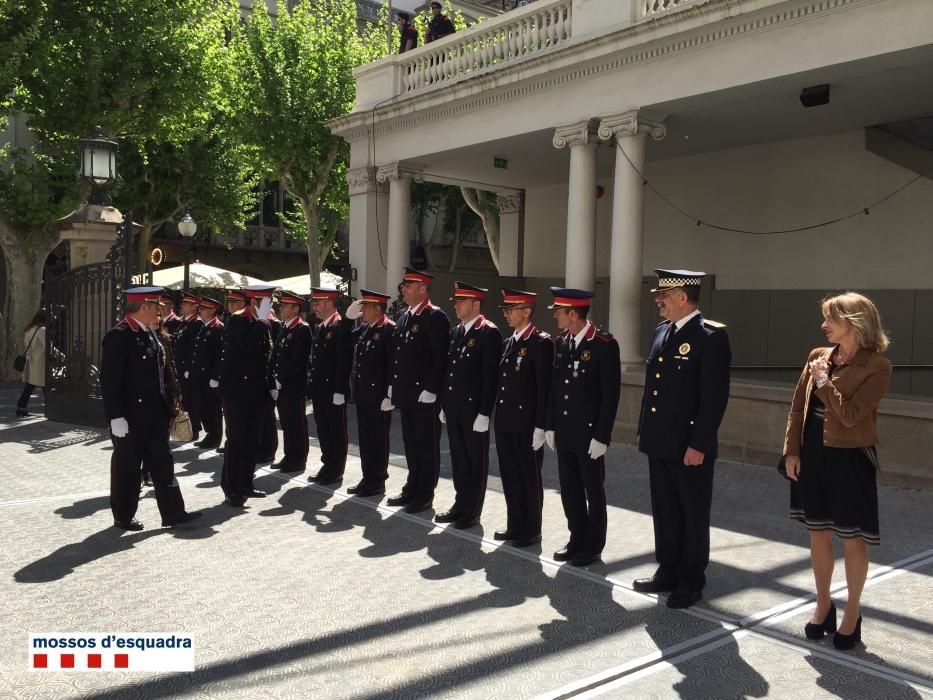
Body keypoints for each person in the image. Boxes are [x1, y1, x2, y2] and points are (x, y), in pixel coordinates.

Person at [783, 292, 891, 650]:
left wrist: (825, 383)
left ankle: (852, 612)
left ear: (854, 323)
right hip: (812, 453)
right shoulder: (818, 356)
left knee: (852, 538)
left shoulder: (877, 366)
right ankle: (823, 604)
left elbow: (850, 416)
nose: (823, 325)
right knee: (818, 533)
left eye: (831, 319)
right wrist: (791, 452)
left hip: (850, 459)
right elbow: (797, 408)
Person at [634, 269, 731, 609]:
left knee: (691, 512)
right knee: (665, 509)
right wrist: (644, 430)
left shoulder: (710, 336)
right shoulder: (662, 332)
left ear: (682, 297)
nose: (659, 300)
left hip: (688, 445)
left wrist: (699, 444)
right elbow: (654, 390)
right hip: (659, 440)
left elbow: (713, 398)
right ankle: (668, 569)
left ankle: (691, 579)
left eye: (664, 295)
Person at [100, 286, 201, 530]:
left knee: (163, 463)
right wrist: (116, 416)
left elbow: (160, 372)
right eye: (156, 307)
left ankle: (173, 513)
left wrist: (171, 400)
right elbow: (109, 380)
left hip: (156, 414)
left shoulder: (150, 333)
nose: (160, 311)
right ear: (143, 307)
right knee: (128, 468)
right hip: (131, 416)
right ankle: (123, 516)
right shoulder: (119, 335)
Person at [545, 288, 620, 567]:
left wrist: (602, 435)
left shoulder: (603, 343)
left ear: (573, 313)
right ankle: (576, 537)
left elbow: (610, 395)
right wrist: (550, 424)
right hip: (565, 431)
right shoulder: (561, 342)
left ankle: (593, 545)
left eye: (558, 311)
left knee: (592, 489)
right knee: (569, 488)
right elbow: (555, 389)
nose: (554, 315)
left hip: (590, 435)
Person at [436, 282, 501, 529]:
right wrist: (444, 402)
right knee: (459, 460)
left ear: (476, 304)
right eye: (456, 301)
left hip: (474, 411)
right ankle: (460, 504)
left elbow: (490, 377)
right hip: (454, 408)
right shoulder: (456, 332)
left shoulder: (488, 332)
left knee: (475, 462)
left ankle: (472, 510)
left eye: (461, 301)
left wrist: (485, 412)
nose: (456, 305)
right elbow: (449, 371)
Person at [386, 268, 450, 513]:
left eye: (408, 285)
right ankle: (411, 488)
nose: (403, 289)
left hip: (425, 396)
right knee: (411, 445)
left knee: (426, 446)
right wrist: (393, 384)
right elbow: (398, 355)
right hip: (407, 393)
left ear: (422, 289)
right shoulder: (403, 316)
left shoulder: (434, 317)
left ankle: (424, 495)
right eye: (404, 285)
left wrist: (432, 388)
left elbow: (439, 356)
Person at [493, 289, 553, 547]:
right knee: (510, 475)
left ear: (526, 311)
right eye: (505, 310)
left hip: (527, 424)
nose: (506, 314)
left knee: (528, 476)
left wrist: (541, 426)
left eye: (511, 309)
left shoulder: (540, 343)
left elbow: (544, 389)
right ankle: (514, 524)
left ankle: (531, 529)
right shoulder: (509, 343)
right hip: (506, 421)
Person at [219, 285, 275, 506]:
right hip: (236, 392)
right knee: (237, 440)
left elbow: (266, 356)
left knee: (252, 440)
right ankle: (231, 487)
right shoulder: (237, 320)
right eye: (265, 302)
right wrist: (261, 322)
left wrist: (270, 384)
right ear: (254, 302)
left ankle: (246, 483)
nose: (269, 307)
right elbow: (248, 345)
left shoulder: (262, 322)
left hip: (256, 391)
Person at [348, 290, 396, 497]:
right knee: (365, 439)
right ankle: (368, 477)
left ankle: (377, 480)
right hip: (364, 393)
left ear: (378, 308)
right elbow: (345, 338)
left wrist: (390, 393)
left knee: (378, 439)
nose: (362, 311)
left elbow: (393, 364)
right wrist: (347, 317)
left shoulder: (388, 330)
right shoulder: (367, 329)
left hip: (379, 396)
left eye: (365, 307)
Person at [306, 287, 353, 486]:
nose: (314, 307)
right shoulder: (322, 326)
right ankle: (328, 464)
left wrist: (340, 389)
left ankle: (336, 470)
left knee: (335, 430)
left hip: (333, 390)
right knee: (323, 429)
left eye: (317, 303)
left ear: (329, 303)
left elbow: (344, 360)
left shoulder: (340, 326)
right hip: (320, 389)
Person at [271, 290, 312, 473]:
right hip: (282, 384)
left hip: (294, 385)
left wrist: (282, 378)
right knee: (287, 421)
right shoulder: (285, 327)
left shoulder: (302, 329)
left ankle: (298, 459)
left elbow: (297, 360)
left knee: (296, 422)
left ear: (295, 308)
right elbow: (278, 355)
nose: (281, 308)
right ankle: (289, 455)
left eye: (285, 306)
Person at [189, 296, 225, 449]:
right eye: (200, 309)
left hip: (210, 376)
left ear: (212, 311)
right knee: (203, 406)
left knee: (212, 408)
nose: (200, 312)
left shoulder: (217, 328)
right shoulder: (204, 327)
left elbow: (220, 355)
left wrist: (216, 376)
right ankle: (210, 433)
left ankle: (215, 436)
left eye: (203, 309)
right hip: (201, 376)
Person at [173, 291, 204, 442]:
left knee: (192, 400)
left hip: (188, 369)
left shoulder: (197, 323)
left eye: (186, 303)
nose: (182, 306)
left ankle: (195, 430)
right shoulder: (184, 322)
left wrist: (189, 369)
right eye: (183, 303)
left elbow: (195, 349)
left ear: (194, 306)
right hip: (180, 367)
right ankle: (186, 429)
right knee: (184, 399)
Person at [257, 302, 282, 463]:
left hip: (269, 377)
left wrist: (273, 381)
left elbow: (275, 354)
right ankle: (260, 448)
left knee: (267, 417)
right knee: (259, 417)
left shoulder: (274, 324)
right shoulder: (256, 322)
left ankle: (268, 450)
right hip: (257, 376)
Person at [16, 310, 47, 418]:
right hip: (40, 362)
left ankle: (21, 407)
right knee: (44, 385)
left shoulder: (29, 329)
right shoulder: (42, 330)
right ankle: (52, 409)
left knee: (30, 385)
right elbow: (48, 346)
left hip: (30, 361)